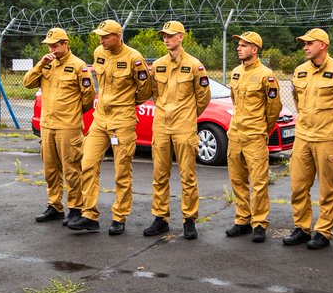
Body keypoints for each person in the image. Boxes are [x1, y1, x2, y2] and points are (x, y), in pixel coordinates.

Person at [69, 20, 153, 235]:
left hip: (122, 121)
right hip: (100, 119)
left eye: (105, 37)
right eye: (100, 36)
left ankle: (119, 216)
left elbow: (146, 89)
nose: (101, 40)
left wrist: (127, 103)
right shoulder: (99, 53)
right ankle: (89, 215)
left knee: (121, 170)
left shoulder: (134, 58)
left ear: (118, 36)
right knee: (87, 163)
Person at [283, 28, 333, 250]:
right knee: (298, 185)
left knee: (327, 187)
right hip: (303, 136)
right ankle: (302, 227)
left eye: (309, 43)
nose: (305, 47)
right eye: (304, 44)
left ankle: (324, 231)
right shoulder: (300, 71)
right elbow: (297, 100)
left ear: (323, 45)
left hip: (327, 138)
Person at [144, 21, 211, 240]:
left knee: (187, 175)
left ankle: (189, 220)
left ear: (181, 37)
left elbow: (203, 97)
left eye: (170, 35)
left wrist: (188, 115)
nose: (166, 39)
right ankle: (160, 218)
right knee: (159, 174)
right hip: (161, 126)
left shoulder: (194, 65)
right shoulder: (158, 65)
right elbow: (155, 93)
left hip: (184, 127)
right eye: (164, 36)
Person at [23, 27, 95, 227]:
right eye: (49, 46)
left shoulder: (79, 66)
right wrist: (40, 64)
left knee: (72, 169)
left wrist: (72, 113)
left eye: (55, 45)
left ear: (65, 44)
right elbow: (27, 83)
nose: (52, 49)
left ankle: (75, 208)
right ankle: (55, 206)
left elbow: (88, 97)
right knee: (50, 169)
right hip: (47, 125)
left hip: (68, 126)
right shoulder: (46, 65)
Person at [225, 32, 283, 243]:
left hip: (255, 136)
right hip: (235, 135)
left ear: (255, 49)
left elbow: (274, 107)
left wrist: (262, 129)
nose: (238, 48)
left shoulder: (266, 75)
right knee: (237, 180)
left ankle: (259, 223)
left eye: (243, 45)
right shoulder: (236, 72)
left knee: (258, 183)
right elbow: (235, 100)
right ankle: (242, 219)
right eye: (239, 45)